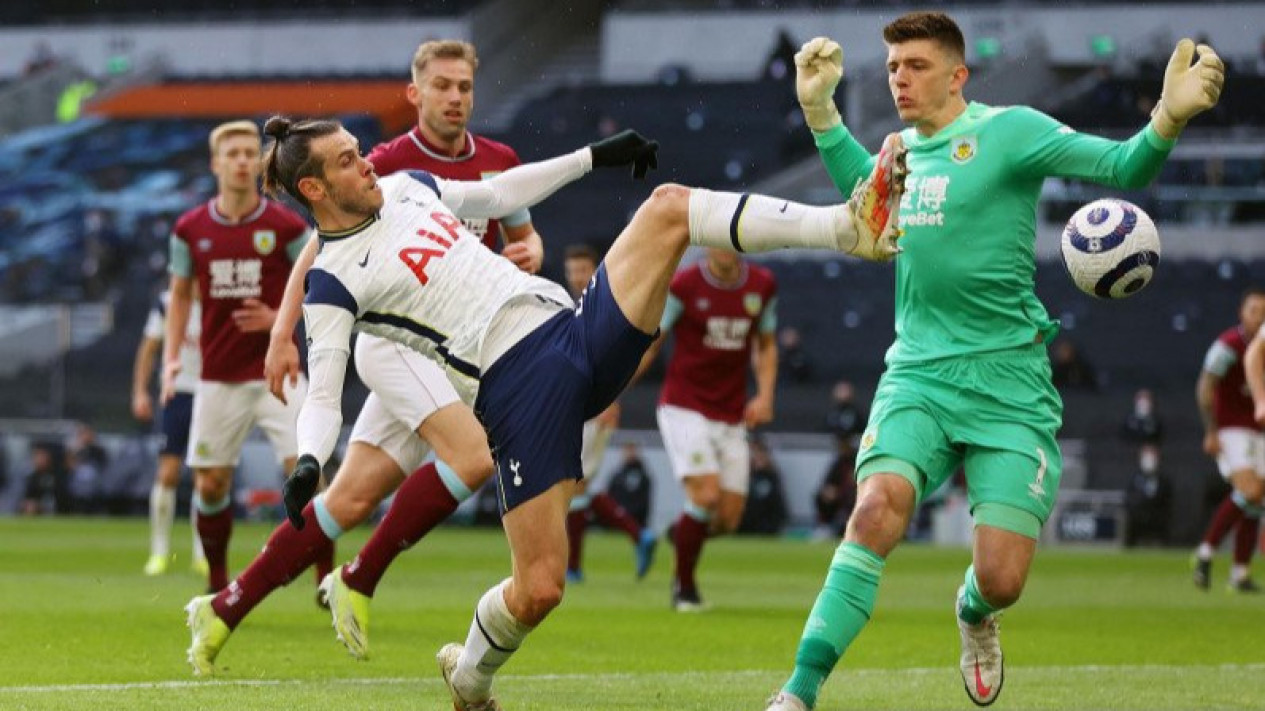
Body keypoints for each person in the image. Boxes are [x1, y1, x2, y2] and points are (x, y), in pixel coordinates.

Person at [255, 109, 903, 708]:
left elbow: (500, 193)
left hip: (569, 330)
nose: (364, 161)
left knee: (667, 207)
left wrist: (593, 156)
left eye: (357, 150)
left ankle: (846, 227)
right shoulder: (333, 280)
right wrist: (311, 459)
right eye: (345, 160)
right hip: (517, 391)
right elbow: (321, 390)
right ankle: (470, 676)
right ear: (312, 189)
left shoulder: (403, 187)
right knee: (539, 588)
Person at [767, 13, 1224, 710]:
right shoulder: (897, 151)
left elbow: (1121, 166)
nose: (899, 79)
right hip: (917, 373)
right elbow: (868, 202)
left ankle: (975, 611)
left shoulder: (1009, 132)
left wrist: (1167, 115)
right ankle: (797, 692)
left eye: (915, 66)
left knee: (1002, 576)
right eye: (892, 67)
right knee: (874, 510)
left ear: (957, 75)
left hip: (1008, 384)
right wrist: (820, 111)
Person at [182, 126, 668, 676]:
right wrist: (283, 331)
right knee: (474, 455)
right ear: (417, 93)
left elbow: (508, 203)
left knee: (347, 501)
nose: (456, 96)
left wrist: (533, 241)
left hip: (461, 349)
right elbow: (324, 250)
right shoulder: (385, 165)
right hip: (403, 346)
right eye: (441, 85)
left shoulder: (493, 155)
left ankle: (224, 608)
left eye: (464, 84)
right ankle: (358, 577)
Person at [160, 119, 326, 595]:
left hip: (281, 372)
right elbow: (180, 296)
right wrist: (172, 359)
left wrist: (279, 319)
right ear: (215, 163)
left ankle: (325, 578)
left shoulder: (288, 226)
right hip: (218, 376)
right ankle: (216, 583)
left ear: (260, 161)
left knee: (307, 473)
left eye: (249, 153)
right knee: (211, 485)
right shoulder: (190, 230)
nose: (240, 161)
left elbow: (321, 283)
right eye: (230, 153)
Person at [637, 248, 779, 611]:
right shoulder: (684, 285)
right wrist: (611, 392)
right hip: (684, 405)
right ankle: (684, 590)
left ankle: (682, 533)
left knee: (728, 517)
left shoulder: (762, 286)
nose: (724, 247)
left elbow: (765, 343)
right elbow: (654, 341)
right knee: (705, 496)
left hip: (732, 412)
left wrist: (764, 395)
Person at [562, 243, 657, 583]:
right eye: (572, 270)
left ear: (597, 269)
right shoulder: (575, 306)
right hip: (577, 405)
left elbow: (626, 354)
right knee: (578, 486)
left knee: (574, 485)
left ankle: (574, 565)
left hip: (594, 408)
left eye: (583, 269)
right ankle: (636, 535)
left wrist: (611, 398)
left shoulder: (608, 306)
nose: (577, 276)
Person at [1192, 287, 1265, 593]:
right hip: (1231, 428)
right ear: (1241, 313)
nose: (1259, 317)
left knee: (1255, 500)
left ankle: (1240, 572)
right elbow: (1205, 387)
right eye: (1254, 311)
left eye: (1264, 312)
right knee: (1251, 490)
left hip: (1259, 429)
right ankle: (1206, 551)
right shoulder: (1228, 345)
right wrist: (1210, 430)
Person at [132, 287, 207, 576]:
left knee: (206, 476)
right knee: (168, 473)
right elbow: (148, 348)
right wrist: (139, 392)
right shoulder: (167, 302)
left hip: (211, 393)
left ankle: (202, 553)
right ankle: (159, 551)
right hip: (176, 394)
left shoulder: (220, 298)